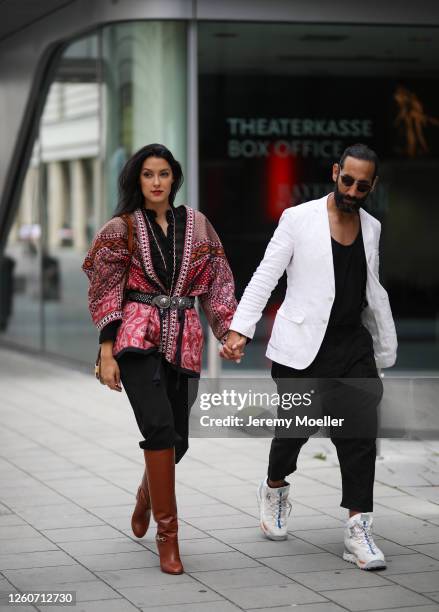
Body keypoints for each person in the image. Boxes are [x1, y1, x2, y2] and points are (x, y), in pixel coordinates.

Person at [221, 143, 397, 571]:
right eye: (347, 179)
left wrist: (382, 343)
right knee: (295, 428)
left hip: (352, 345)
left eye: (362, 185)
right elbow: (267, 274)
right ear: (336, 172)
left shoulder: (371, 226)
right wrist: (240, 329)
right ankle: (274, 486)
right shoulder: (298, 219)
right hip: (302, 347)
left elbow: (369, 286)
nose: (353, 189)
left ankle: (358, 527)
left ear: (372, 186)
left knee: (358, 434)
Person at [82, 143, 236, 575]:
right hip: (136, 336)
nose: (155, 182)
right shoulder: (121, 228)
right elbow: (104, 289)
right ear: (137, 180)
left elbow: (218, 279)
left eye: (163, 174)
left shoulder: (198, 225)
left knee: (178, 440)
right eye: (147, 174)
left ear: (174, 178)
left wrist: (228, 331)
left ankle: (147, 494)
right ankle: (168, 539)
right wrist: (107, 350)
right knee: (159, 427)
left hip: (185, 338)